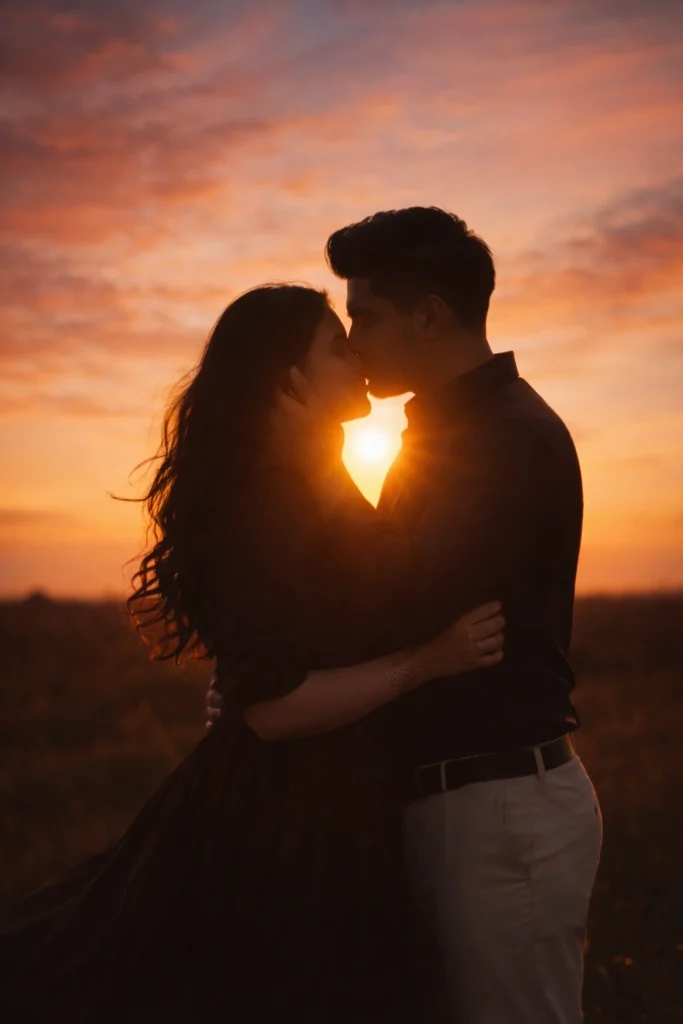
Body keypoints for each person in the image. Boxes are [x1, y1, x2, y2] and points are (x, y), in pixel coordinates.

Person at [0, 283, 505, 1023]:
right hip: (289, 825)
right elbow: (272, 709)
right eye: (337, 347)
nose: (358, 357)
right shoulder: (270, 501)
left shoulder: (302, 484)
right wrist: (428, 662)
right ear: (289, 378)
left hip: (325, 803)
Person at [208, 209, 603, 1024]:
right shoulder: (443, 434)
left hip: (497, 806)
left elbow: (403, 601)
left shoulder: (504, 440)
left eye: (364, 317)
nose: (354, 342)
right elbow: (370, 606)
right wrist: (264, 676)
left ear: (428, 317)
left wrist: (320, 470)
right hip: (457, 802)